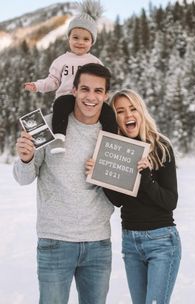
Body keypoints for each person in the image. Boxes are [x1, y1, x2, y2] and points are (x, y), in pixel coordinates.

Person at [13, 63, 118, 304]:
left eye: (98, 91)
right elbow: (22, 178)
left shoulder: (112, 135)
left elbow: (121, 186)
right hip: (55, 241)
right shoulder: (46, 125)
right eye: (85, 89)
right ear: (73, 91)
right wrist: (26, 158)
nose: (90, 97)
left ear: (105, 95)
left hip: (98, 243)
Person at [86, 89, 181, 304]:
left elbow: (170, 201)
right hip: (131, 242)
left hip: (161, 241)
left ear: (141, 112)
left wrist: (145, 176)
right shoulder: (116, 149)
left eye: (132, 109)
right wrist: (99, 174)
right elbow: (118, 200)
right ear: (115, 118)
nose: (128, 115)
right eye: (120, 111)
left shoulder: (160, 146)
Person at [23, 0, 113, 153]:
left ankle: (112, 142)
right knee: (60, 104)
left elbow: (102, 83)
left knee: (108, 112)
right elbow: (53, 81)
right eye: (76, 37)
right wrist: (38, 85)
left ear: (92, 42)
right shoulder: (61, 61)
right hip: (67, 97)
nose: (80, 42)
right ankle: (59, 138)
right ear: (69, 38)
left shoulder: (95, 61)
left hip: (88, 100)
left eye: (86, 39)